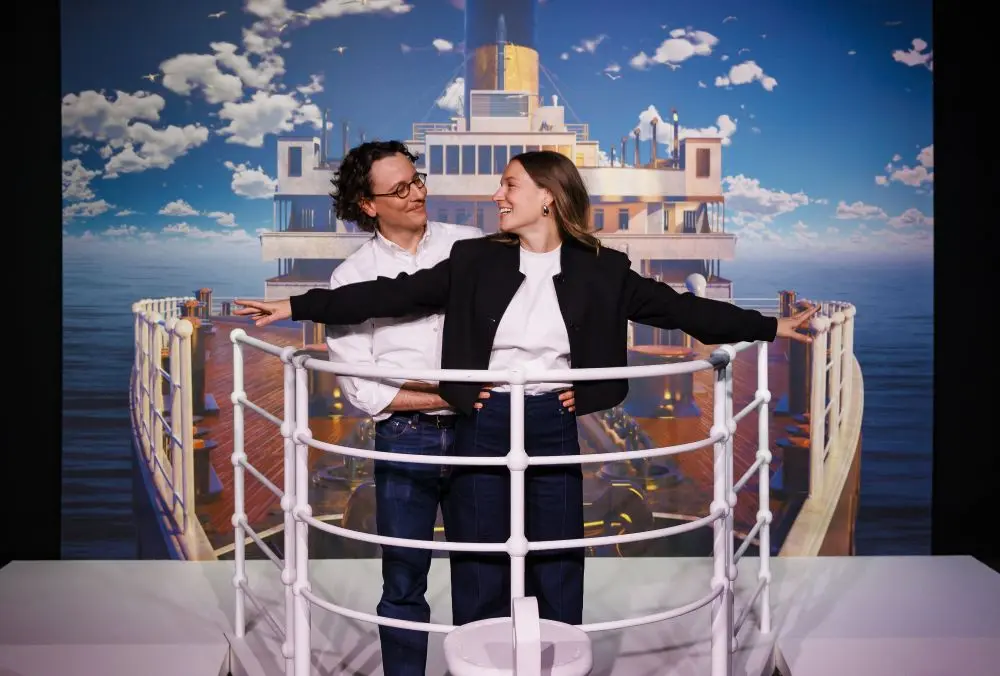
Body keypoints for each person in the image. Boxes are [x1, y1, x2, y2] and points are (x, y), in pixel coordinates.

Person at [234, 150, 819, 630]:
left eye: (509, 184)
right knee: (483, 563)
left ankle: (558, 661)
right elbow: (385, 295)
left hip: (551, 422)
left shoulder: (603, 268)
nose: (497, 197)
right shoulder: (475, 260)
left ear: (548, 195)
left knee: (558, 559)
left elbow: (683, 310)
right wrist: (296, 305)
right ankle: (482, 664)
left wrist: (771, 327)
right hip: (485, 419)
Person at [304, 140, 575, 676]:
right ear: (367, 203)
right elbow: (365, 391)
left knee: (485, 573)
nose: (417, 193)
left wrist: (458, 391)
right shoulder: (350, 278)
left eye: (417, 179)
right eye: (399, 188)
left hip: (482, 432)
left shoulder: (471, 246)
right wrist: (458, 390)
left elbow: (522, 326)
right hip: (408, 437)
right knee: (404, 578)